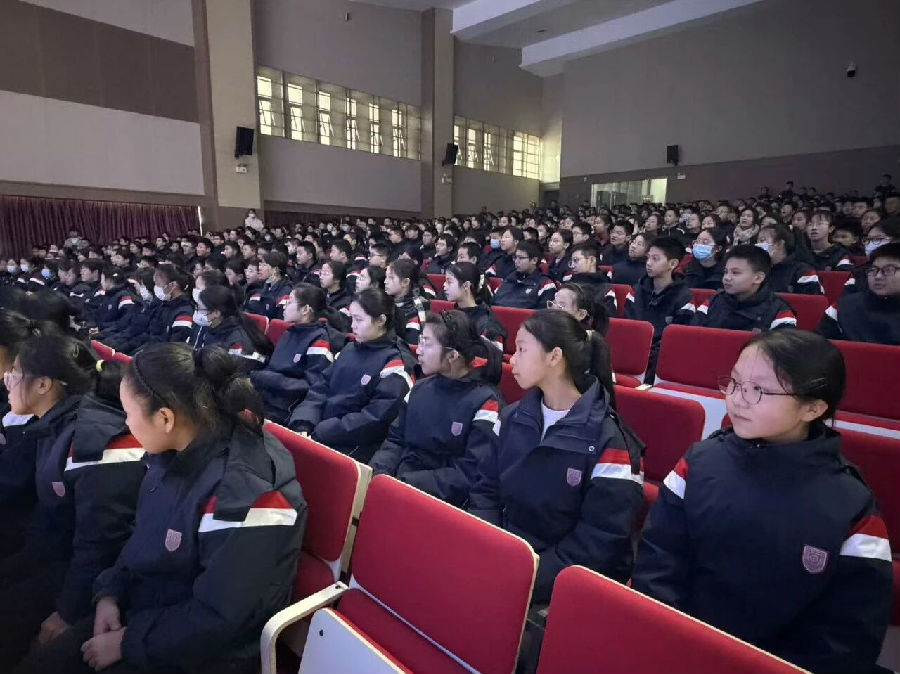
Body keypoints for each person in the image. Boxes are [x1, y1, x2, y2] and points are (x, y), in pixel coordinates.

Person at [14, 343, 307, 674]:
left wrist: (127, 642)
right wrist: (110, 592)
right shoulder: (173, 449)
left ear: (165, 418)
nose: (125, 423)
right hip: (149, 616)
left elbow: (220, 618)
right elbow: (142, 537)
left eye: (128, 413)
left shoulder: (249, 494)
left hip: (199, 652)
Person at [632, 330, 892, 674]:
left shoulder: (852, 507)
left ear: (813, 407)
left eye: (759, 390)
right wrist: (674, 641)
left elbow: (846, 635)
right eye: (735, 383)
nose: (738, 399)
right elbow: (659, 560)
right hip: (679, 647)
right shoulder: (699, 463)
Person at [468, 311, 642, 603]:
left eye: (522, 349)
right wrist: (491, 549)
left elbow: (599, 540)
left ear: (554, 357)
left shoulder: (610, 442)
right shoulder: (512, 417)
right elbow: (485, 489)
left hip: (560, 584)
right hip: (506, 557)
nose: (512, 359)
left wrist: (526, 576)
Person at [0, 336, 144, 670]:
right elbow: (48, 518)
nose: (7, 380)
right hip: (60, 552)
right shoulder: (52, 423)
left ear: (43, 385)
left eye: (15, 373)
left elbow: (101, 542)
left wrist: (67, 611)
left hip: (95, 575)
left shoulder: (93, 440)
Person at [370, 310, 503, 507]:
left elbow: (470, 472)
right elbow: (395, 440)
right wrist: (379, 473)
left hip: (438, 502)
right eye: (420, 341)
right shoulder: (420, 388)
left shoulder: (486, 403)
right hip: (399, 484)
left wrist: (406, 483)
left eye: (427, 343)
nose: (418, 350)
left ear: (452, 355)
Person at [288, 288, 417, 462]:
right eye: (352, 318)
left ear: (381, 321)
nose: (352, 326)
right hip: (319, 430)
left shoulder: (396, 363)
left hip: (353, 445)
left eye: (359, 320)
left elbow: (374, 418)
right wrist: (304, 422)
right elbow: (320, 388)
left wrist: (322, 431)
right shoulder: (350, 348)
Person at [250, 284, 347, 424]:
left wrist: (268, 379)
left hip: (286, 407)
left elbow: (312, 385)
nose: (284, 305)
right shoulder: (290, 332)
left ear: (305, 310)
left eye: (290, 302)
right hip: (267, 395)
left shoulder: (319, 341)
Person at [625, 237, 695, 381]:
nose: (649, 263)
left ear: (673, 263)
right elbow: (629, 326)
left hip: (663, 359)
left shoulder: (684, 297)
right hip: (633, 351)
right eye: (648, 257)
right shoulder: (636, 290)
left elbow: (678, 339)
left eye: (655, 259)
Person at [692, 245, 798, 331]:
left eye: (735, 273)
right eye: (726, 272)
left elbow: (781, 349)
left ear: (758, 277)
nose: (727, 278)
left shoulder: (779, 311)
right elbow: (694, 337)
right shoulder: (713, 302)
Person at [818, 243, 900, 345]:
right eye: (873, 270)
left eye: (888, 270)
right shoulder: (843, 307)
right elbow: (818, 346)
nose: (878, 276)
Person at [188, 285, 272, 370]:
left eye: (201, 309)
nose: (197, 312)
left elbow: (233, 372)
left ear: (216, 313)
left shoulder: (238, 341)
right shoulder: (211, 327)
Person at [443, 262, 506, 353]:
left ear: (466, 286)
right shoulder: (450, 315)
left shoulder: (487, 324)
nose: (444, 285)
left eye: (449, 282)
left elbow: (493, 357)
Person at [756, 224, 823, 295]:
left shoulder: (803, 270)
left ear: (779, 244)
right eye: (757, 241)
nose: (758, 245)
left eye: (762, 240)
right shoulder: (759, 269)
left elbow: (812, 299)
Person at [492, 240, 556, 310]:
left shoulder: (546, 285)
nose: (516, 261)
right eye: (515, 257)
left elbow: (542, 314)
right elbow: (493, 302)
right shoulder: (508, 279)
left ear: (534, 260)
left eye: (521, 258)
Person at [562, 242, 617, 315]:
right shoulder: (567, 285)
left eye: (576, 260)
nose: (572, 266)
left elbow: (605, 318)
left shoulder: (606, 289)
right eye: (571, 262)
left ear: (592, 260)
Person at [257, 252, 293, 320]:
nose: (260, 268)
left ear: (275, 270)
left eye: (264, 265)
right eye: (260, 265)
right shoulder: (265, 285)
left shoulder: (286, 290)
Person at [318, 260, 353, 331]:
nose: (321, 277)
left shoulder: (346, 301)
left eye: (325, 274)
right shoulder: (321, 294)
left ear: (337, 279)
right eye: (321, 274)